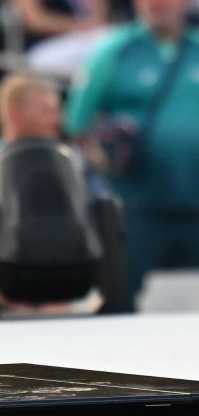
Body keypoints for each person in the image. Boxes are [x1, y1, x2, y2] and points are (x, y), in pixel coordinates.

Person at [65, 0, 199, 310]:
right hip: (134, 208)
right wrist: (105, 164)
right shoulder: (114, 49)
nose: (156, 3)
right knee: (126, 307)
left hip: (198, 204)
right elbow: (77, 121)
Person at [0, 73, 104, 316]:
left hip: (72, 282)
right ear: (15, 113)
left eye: (58, 111)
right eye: (47, 111)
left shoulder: (73, 159)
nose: (57, 120)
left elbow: (99, 212)